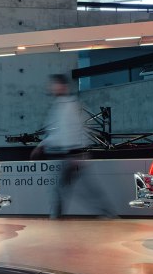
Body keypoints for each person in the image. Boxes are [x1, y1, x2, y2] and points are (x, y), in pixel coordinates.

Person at [31, 74, 115, 219]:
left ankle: (57, 217)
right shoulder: (63, 105)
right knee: (81, 189)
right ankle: (105, 213)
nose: (52, 87)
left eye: (55, 85)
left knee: (73, 189)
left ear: (63, 86)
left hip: (72, 156)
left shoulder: (68, 106)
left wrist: (43, 145)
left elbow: (68, 132)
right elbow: (62, 132)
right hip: (72, 156)